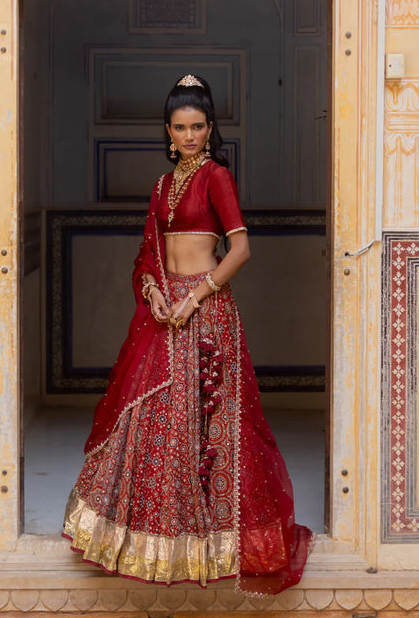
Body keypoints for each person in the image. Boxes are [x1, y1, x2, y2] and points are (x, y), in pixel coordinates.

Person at [62, 74, 313, 594]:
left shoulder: (216, 176)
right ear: (168, 131)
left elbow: (240, 249)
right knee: (153, 420)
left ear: (210, 127)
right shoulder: (160, 185)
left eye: (198, 126)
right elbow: (147, 252)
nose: (189, 136)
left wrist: (193, 297)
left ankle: (211, 544)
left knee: (207, 425)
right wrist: (153, 289)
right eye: (180, 128)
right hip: (164, 312)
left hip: (206, 313)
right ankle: (155, 544)